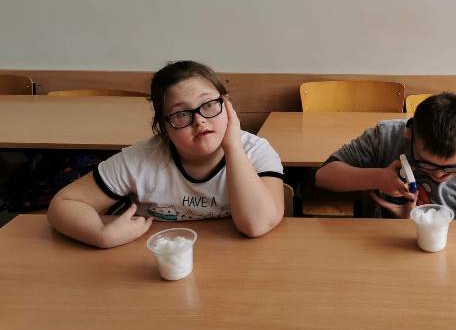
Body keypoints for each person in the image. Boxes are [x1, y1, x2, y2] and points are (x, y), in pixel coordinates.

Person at [48, 61, 285, 248]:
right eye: (181, 114)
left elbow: (256, 225)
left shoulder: (256, 152)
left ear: (227, 105)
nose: (199, 120)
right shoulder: (141, 159)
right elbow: (64, 204)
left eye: (208, 105)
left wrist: (233, 147)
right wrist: (101, 235)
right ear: (163, 126)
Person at [315, 92, 456, 219]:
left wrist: (417, 225)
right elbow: (324, 176)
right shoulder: (385, 137)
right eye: (426, 163)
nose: (439, 175)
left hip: (446, 242)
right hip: (383, 238)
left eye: (454, 168)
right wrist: (378, 178)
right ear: (409, 134)